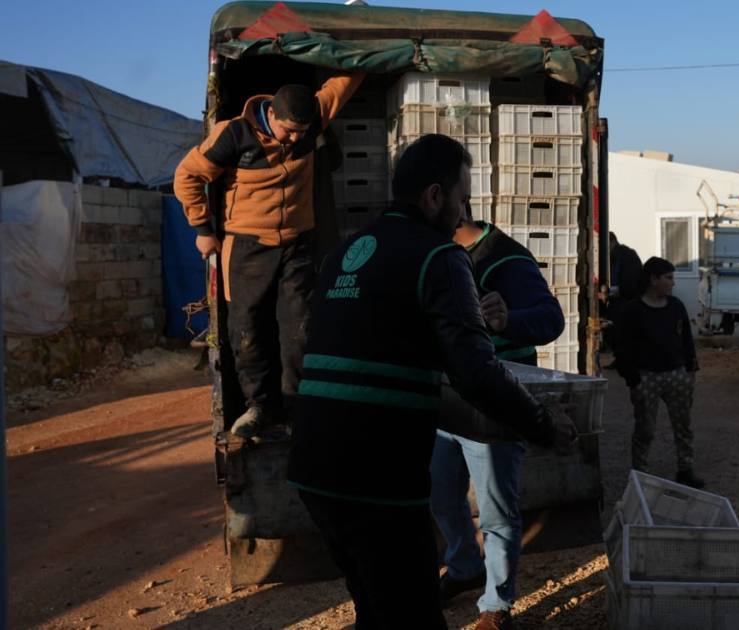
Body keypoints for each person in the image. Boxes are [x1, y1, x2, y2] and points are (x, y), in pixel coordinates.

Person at [286, 134, 576, 629]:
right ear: (436, 196)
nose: (464, 212)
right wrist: (545, 425)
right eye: (462, 198)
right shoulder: (439, 257)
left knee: (373, 604)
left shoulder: (345, 252)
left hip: (313, 470)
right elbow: (476, 373)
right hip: (377, 479)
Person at [174, 73, 365, 437]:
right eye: (289, 131)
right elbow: (187, 176)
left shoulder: (312, 121)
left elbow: (343, 84)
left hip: (297, 244)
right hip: (246, 246)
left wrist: (363, 44)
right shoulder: (234, 134)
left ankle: (297, 411)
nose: (294, 139)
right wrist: (203, 230)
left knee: (300, 328)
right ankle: (259, 407)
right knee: (247, 329)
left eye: (301, 133)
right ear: (272, 114)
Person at [431, 212, 565, 630]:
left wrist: (509, 321)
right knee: (441, 494)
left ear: (443, 200)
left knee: (496, 511)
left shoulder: (506, 258)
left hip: (495, 405)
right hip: (446, 401)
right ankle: (464, 567)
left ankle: (497, 602)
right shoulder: (433, 254)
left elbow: (551, 318)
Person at [615, 257, 705, 489]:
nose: (673, 283)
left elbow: (686, 340)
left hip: (676, 375)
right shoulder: (633, 311)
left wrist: (690, 370)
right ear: (653, 280)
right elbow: (621, 347)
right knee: (645, 429)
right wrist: (633, 378)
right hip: (646, 377)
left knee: (683, 425)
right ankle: (639, 476)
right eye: (668, 278)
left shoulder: (676, 307)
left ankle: (685, 469)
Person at [602, 232, 643, 369]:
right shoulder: (619, 255)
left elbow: (631, 283)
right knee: (616, 331)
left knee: (623, 332)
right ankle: (620, 359)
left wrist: (609, 291)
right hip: (619, 300)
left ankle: (627, 361)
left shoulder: (626, 255)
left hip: (627, 301)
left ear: (612, 241)